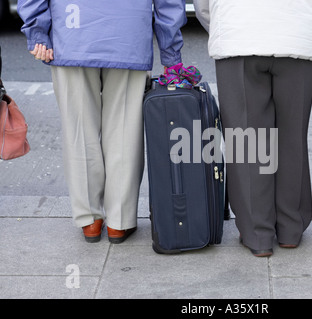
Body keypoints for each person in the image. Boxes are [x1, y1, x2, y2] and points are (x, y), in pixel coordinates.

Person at [194, 0, 312, 257]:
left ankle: (257, 233)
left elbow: (203, 5)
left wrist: (224, 26)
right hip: (300, 33)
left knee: (247, 143)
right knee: (292, 137)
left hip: (239, 31)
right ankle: (290, 228)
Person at [17, 0, 186, 243]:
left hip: (72, 31)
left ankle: (90, 221)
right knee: (125, 131)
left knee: (79, 131)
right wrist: (171, 54)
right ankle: (119, 221)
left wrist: (37, 31)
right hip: (128, 35)